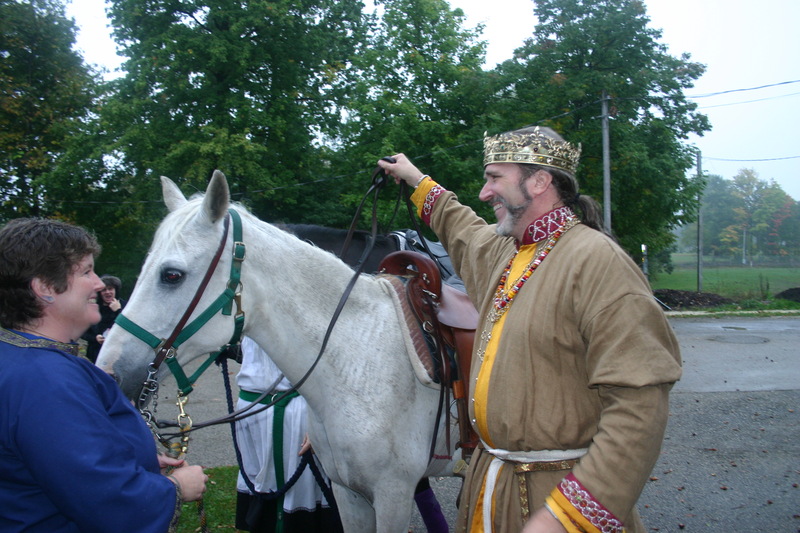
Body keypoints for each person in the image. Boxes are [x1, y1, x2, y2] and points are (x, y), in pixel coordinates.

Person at [378, 126, 682, 533]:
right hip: (490, 489)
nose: (484, 193)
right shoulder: (505, 251)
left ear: (539, 182)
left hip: (557, 499)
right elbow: (460, 226)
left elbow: (639, 409)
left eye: (494, 178)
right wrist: (417, 181)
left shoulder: (599, 263)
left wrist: (566, 518)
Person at [0, 217, 208, 533]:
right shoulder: (46, 380)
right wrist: (176, 488)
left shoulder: (26, 359)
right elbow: (107, 503)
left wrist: (136, 461)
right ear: (45, 288)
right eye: (86, 272)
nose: (98, 283)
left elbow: (60, 459)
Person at [234, 336, 343, 533]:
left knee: (304, 497)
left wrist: (321, 419)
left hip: (299, 410)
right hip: (252, 406)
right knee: (262, 494)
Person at [80, 274, 125, 363]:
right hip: (97, 355)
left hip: (119, 355)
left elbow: (131, 327)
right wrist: (95, 338)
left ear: (115, 290)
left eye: (110, 289)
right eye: (104, 290)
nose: (107, 292)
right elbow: (82, 332)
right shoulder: (93, 308)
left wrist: (118, 311)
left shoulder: (126, 306)